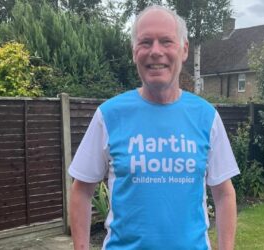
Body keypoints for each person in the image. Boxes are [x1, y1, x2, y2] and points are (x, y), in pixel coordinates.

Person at [68, 5, 239, 250]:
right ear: (134, 51)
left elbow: (224, 194)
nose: (155, 51)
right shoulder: (109, 115)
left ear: (184, 50)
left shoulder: (206, 116)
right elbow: (81, 190)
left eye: (166, 41)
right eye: (145, 42)